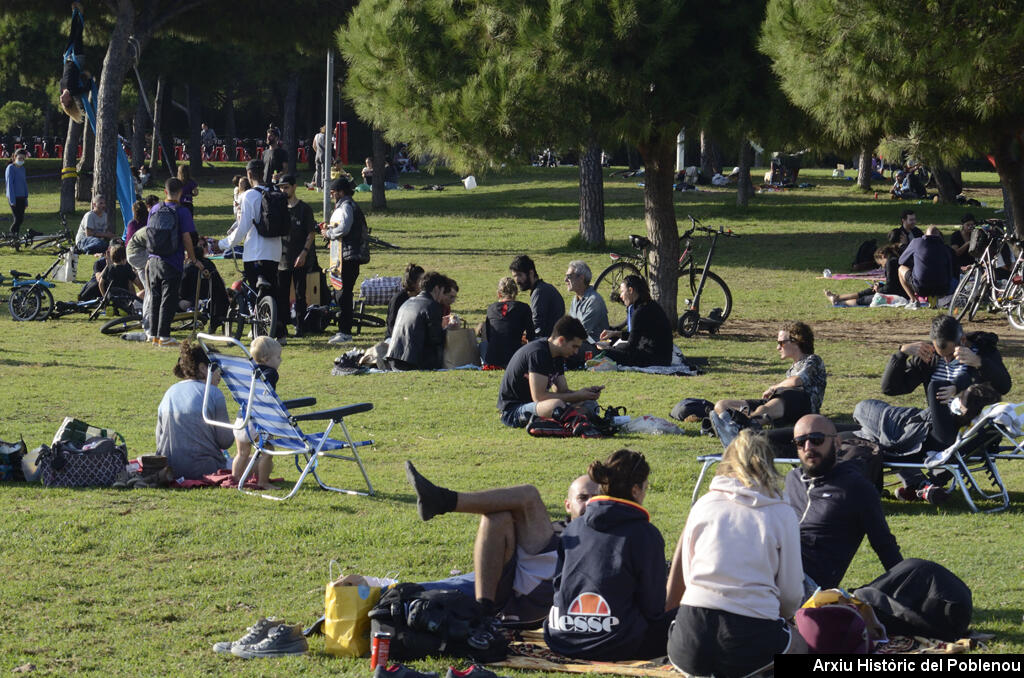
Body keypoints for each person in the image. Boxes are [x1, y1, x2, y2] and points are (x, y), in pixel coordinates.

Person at [666, 430, 806, 678]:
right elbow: (791, 592)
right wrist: (778, 618)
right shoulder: (782, 513)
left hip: (691, 634)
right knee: (800, 645)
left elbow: (689, 578)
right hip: (750, 631)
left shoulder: (704, 504)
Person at [406, 461, 600, 626]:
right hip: (500, 583)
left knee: (529, 495)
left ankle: (442, 500)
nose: (590, 503)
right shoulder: (554, 528)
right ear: (567, 505)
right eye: (583, 498)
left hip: (533, 601)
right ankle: (484, 611)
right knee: (497, 517)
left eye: (596, 498)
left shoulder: (608, 536)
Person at [545, 449, 672, 660]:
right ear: (635, 490)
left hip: (561, 639)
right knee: (693, 616)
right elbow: (653, 608)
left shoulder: (573, 528)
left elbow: (559, 587)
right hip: (617, 644)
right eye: (645, 486)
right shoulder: (644, 534)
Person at [784, 414, 903, 591]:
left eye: (817, 440)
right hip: (773, 566)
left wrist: (908, 587)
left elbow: (885, 546)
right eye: (801, 442)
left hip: (806, 584)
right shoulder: (793, 479)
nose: (808, 447)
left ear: (837, 443)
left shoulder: (855, 488)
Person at [854, 382, 1000, 504]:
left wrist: (956, 386)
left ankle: (920, 484)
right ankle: (920, 485)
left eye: (961, 396)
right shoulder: (980, 433)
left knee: (861, 408)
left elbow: (935, 386)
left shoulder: (945, 428)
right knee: (855, 433)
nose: (956, 397)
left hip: (892, 426)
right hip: (910, 446)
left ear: (964, 408)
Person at [713, 322, 827, 433]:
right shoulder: (791, 370)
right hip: (784, 402)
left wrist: (774, 388)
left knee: (769, 406)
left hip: (803, 405)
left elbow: (797, 380)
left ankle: (742, 426)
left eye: (781, 343)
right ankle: (734, 424)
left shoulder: (813, 360)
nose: (778, 347)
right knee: (722, 405)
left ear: (796, 342)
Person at [497, 316, 603, 427]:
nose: (576, 352)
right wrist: (577, 396)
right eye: (574, 346)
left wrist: (585, 394)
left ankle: (572, 418)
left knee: (590, 404)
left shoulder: (557, 355)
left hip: (539, 406)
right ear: (561, 340)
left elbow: (562, 391)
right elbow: (539, 397)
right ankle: (576, 418)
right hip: (514, 411)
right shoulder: (538, 353)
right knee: (556, 405)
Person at [218, 159, 283, 337]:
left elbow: (243, 227)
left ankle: (258, 330)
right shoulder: (275, 191)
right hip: (275, 251)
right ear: (264, 172)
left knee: (255, 290)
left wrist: (224, 244)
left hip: (255, 251)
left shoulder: (249, 195)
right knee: (271, 290)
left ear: (248, 174)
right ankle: (278, 330)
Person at [155, 340, 235, 479]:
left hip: (169, 469)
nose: (220, 374)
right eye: (218, 368)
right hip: (207, 470)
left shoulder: (170, 391)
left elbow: (159, 439)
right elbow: (226, 441)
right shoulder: (213, 393)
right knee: (255, 460)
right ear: (204, 368)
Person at [881, 314, 1011, 397]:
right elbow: (890, 389)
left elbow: (1004, 387)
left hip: (972, 426)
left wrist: (980, 363)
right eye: (941, 355)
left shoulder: (984, 351)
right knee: (866, 408)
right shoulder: (930, 356)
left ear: (963, 341)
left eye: (950, 354)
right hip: (937, 421)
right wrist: (901, 354)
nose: (947, 360)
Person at [148, 177, 197, 347]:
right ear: (181, 193)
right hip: (172, 261)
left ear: (165, 192)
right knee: (168, 299)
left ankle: (153, 334)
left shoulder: (154, 208)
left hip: (153, 259)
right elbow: (186, 237)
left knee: (155, 297)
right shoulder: (182, 212)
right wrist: (192, 258)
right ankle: (164, 336)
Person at [321, 177, 370, 345]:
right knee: (341, 293)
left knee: (343, 295)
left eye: (334, 192)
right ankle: (343, 330)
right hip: (346, 256)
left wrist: (329, 234)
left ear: (341, 192)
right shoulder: (346, 205)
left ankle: (345, 332)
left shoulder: (347, 206)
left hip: (349, 257)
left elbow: (344, 228)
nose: (332, 195)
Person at [231, 336, 283, 490]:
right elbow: (263, 392)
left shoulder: (247, 370)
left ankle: (235, 479)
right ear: (266, 359)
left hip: (241, 421)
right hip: (257, 422)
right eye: (278, 357)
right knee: (268, 451)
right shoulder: (271, 372)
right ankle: (263, 482)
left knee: (242, 453)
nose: (280, 360)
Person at [275, 175, 318, 339]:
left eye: (286, 187)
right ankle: (283, 327)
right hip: (282, 259)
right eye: (281, 187)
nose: (283, 190)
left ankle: (301, 327)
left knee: (300, 294)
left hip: (300, 258)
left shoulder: (304, 209)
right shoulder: (279, 209)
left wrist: (304, 253)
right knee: (282, 294)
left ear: (294, 187)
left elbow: (311, 233)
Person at [597, 275, 673, 367]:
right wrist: (614, 334)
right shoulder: (650, 305)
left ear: (630, 290)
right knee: (616, 346)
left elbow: (631, 346)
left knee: (608, 353)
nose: (621, 296)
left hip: (654, 359)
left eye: (622, 291)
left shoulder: (640, 311)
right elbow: (636, 336)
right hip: (663, 358)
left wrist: (609, 349)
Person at [385, 271, 450, 370]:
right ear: (437, 288)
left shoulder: (408, 302)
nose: (442, 296)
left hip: (394, 358)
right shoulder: (432, 305)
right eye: (443, 291)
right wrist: (448, 329)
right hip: (413, 362)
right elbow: (436, 338)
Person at [480, 276, 535, 368]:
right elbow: (531, 336)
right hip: (514, 360)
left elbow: (489, 336)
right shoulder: (523, 308)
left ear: (499, 294)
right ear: (516, 293)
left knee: (483, 344)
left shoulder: (491, 308)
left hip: (492, 360)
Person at [825, 244, 906, 306]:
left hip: (899, 294)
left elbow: (891, 287)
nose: (882, 266)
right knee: (870, 290)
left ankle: (841, 302)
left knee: (865, 299)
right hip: (897, 290)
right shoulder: (893, 260)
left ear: (882, 256)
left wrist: (879, 290)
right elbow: (893, 282)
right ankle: (838, 298)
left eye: (881, 264)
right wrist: (880, 285)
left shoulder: (890, 263)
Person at [509, 255, 565, 338]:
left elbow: (537, 326)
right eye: (514, 276)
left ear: (531, 273)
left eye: (520, 275)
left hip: (549, 342)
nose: (517, 280)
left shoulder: (540, 292)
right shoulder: (542, 288)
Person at [897, 226, 954, 301]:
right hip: (942, 289)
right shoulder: (945, 248)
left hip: (921, 288)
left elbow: (901, 261)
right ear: (939, 236)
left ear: (924, 235)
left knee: (901, 269)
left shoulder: (917, 242)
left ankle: (914, 300)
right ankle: (936, 300)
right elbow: (950, 270)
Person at [565, 260, 608, 344]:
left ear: (581, 278)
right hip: (580, 343)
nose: (565, 280)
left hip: (596, 348)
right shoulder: (576, 299)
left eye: (569, 276)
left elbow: (580, 333)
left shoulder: (594, 301)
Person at [386, 263, 425, 339]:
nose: (424, 284)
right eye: (421, 281)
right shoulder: (398, 299)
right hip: (395, 338)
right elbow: (392, 325)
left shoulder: (422, 298)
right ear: (413, 283)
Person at [5, 149, 28, 235]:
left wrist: (26, 200)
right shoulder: (10, 168)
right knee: (17, 219)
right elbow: (9, 185)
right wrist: (12, 200)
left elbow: (24, 184)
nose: (21, 160)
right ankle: (11, 234)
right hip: (14, 198)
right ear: (15, 157)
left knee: (21, 219)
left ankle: (16, 238)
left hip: (22, 197)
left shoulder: (22, 169)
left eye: (23, 159)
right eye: (20, 158)